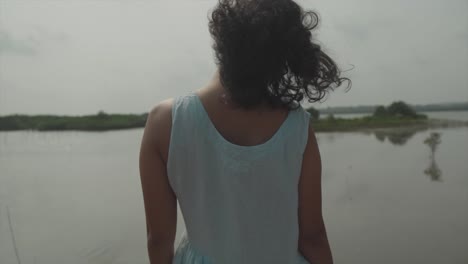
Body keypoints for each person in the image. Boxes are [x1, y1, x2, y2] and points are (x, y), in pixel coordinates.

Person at [139, 0, 349, 263]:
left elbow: (158, 239)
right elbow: (313, 235)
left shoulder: (164, 121)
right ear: (281, 58)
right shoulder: (298, 127)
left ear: (222, 41)